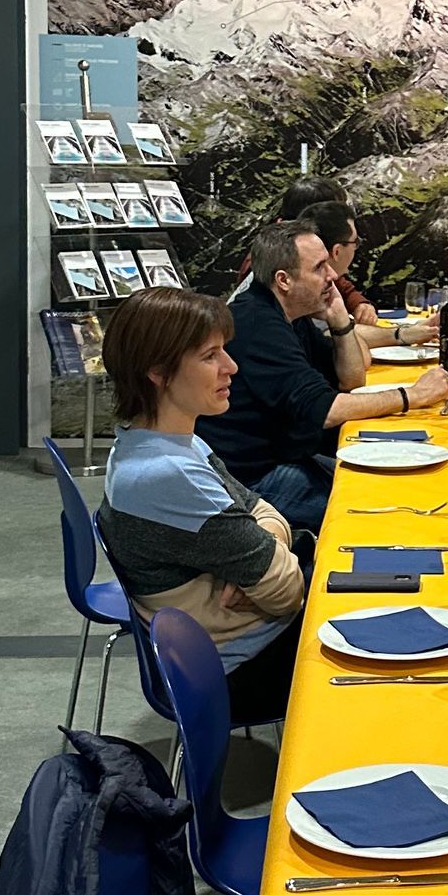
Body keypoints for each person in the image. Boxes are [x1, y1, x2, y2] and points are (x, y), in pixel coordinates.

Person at [95, 286, 306, 727]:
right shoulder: (169, 474)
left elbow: (265, 511)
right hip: (234, 673)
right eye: (210, 356)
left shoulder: (159, 441)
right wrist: (267, 554)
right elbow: (286, 592)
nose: (231, 366)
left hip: (230, 650)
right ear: (158, 371)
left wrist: (261, 549)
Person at [201, 220, 448, 532]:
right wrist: (413, 396)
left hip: (288, 456)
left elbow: (352, 380)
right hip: (252, 479)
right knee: (390, 511)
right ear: (284, 280)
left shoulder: (290, 313)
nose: (332, 276)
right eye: (320, 267)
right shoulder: (258, 324)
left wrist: (339, 320)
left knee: (407, 488)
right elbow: (326, 410)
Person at [291, 196, 436, 353]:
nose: (334, 277)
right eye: (355, 243)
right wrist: (403, 334)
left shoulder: (320, 282)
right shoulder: (305, 293)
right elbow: (337, 344)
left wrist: (360, 304)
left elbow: (345, 290)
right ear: (337, 251)